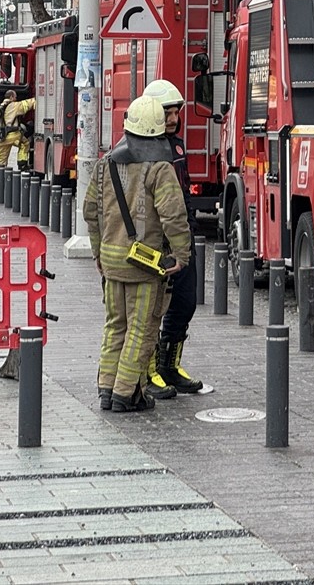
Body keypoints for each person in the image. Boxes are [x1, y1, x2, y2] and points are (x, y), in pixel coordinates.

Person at [84, 94, 191, 413]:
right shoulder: (160, 167)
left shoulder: (106, 163)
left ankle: (106, 388)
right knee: (141, 330)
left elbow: (91, 211)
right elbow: (173, 215)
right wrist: (181, 255)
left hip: (111, 260)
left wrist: (98, 254)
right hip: (144, 264)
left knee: (115, 325)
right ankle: (126, 393)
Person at [142, 79, 204, 398]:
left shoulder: (177, 146)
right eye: (167, 112)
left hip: (182, 240)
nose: (173, 118)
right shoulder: (145, 151)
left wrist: (190, 229)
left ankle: (170, 364)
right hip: (156, 245)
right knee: (153, 309)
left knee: (184, 304)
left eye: (176, 111)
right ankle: (150, 371)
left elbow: (184, 190)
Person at [0, 89, 36, 169]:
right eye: (15, 97)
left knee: (1, 160)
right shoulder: (13, 105)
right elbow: (26, 105)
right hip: (13, 134)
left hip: (2, 137)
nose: (16, 99)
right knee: (25, 143)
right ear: (11, 97)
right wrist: (36, 99)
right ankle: (22, 164)